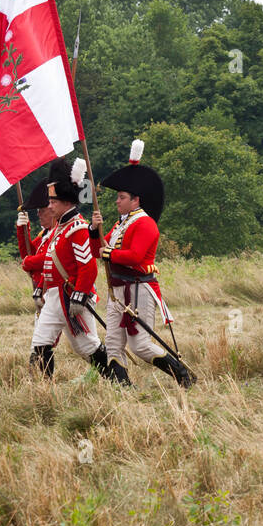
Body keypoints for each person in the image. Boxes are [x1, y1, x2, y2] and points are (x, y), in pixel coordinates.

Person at [90, 139, 190, 387]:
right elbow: (98, 252)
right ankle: (124, 390)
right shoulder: (120, 223)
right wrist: (94, 231)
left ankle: (183, 376)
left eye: (121, 197)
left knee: (140, 345)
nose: (117, 201)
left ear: (136, 200)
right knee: (113, 343)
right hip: (117, 291)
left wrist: (110, 254)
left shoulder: (145, 223)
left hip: (138, 288)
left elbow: (134, 257)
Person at [23, 159, 115, 379]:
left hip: (71, 296)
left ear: (65, 201)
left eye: (53, 201)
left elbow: (88, 266)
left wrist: (80, 294)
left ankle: (117, 380)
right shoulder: (60, 228)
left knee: (87, 347)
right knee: (40, 342)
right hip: (54, 296)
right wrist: (41, 290)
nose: (50, 205)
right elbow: (49, 265)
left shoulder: (77, 228)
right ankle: (44, 390)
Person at [16, 179, 53, 314]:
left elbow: (50, 258)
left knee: (81, 335)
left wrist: (28, 263)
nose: (38, 214)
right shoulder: (45, 234)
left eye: (42, 210)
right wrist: (22, 229)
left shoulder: (59, 231)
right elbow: (29, 253)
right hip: (43, 290)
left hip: (57, 291)